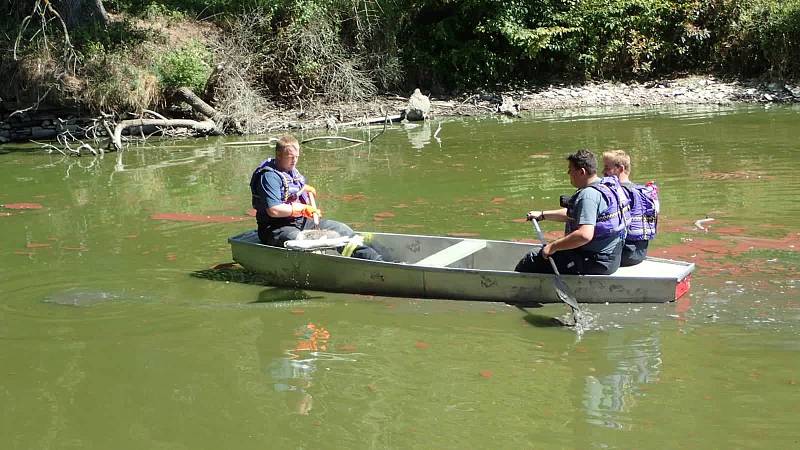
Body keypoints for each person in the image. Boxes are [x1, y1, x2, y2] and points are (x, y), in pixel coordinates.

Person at [249, 135, 383, 260]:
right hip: (276, 228)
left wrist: (305, 189)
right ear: (278, 155)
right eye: (290, 157)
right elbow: (274, 210)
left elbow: (291, 188)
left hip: (300, 222)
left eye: (297, 156)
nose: (294, 161)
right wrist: (302, 209)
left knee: (342, 229)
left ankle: (377, 260)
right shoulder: (268, 177)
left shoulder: (289, 170)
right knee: (315, 239)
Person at [515, 149, 630, 275]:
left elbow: (584, 235)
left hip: (594, 261)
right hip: (611, 258)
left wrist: (552, 247)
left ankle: (515, 290)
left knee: (532, 258)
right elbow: (580, 215)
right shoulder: (606, 186)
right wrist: (543, 215)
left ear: (582, 172)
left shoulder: (588, 195)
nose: (568, 172)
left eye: (571, 169)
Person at [602, 150, 659, 266]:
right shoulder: (640, 191)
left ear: (621, 169)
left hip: (622, 255)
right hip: (640, 253)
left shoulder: (616, 193)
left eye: (607, 168)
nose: (603, 172)